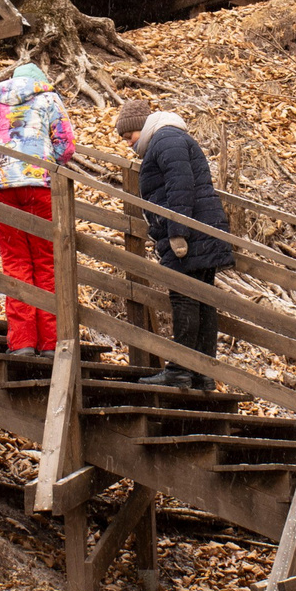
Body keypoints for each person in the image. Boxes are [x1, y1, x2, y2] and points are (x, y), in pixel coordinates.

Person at [114, 99, 233, 391]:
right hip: (201, 231)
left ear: (140, 127)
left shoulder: (166, 139)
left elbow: (181, 185)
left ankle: (181, 369)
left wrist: (177, 232)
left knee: (185, 298)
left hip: (190, 234)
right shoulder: (169, 139)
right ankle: (201, 372)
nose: (127, 143)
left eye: (128, 135)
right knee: (201, 299)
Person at [0, 63, 77, 358]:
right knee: (46, 259)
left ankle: (22, 343)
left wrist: (0, 171)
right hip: (39, 185)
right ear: (39, 82)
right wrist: (45, 162)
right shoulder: (49, 100)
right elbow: (66, 145)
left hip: (1, 187)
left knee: (15, 261)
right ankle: (51, 343)